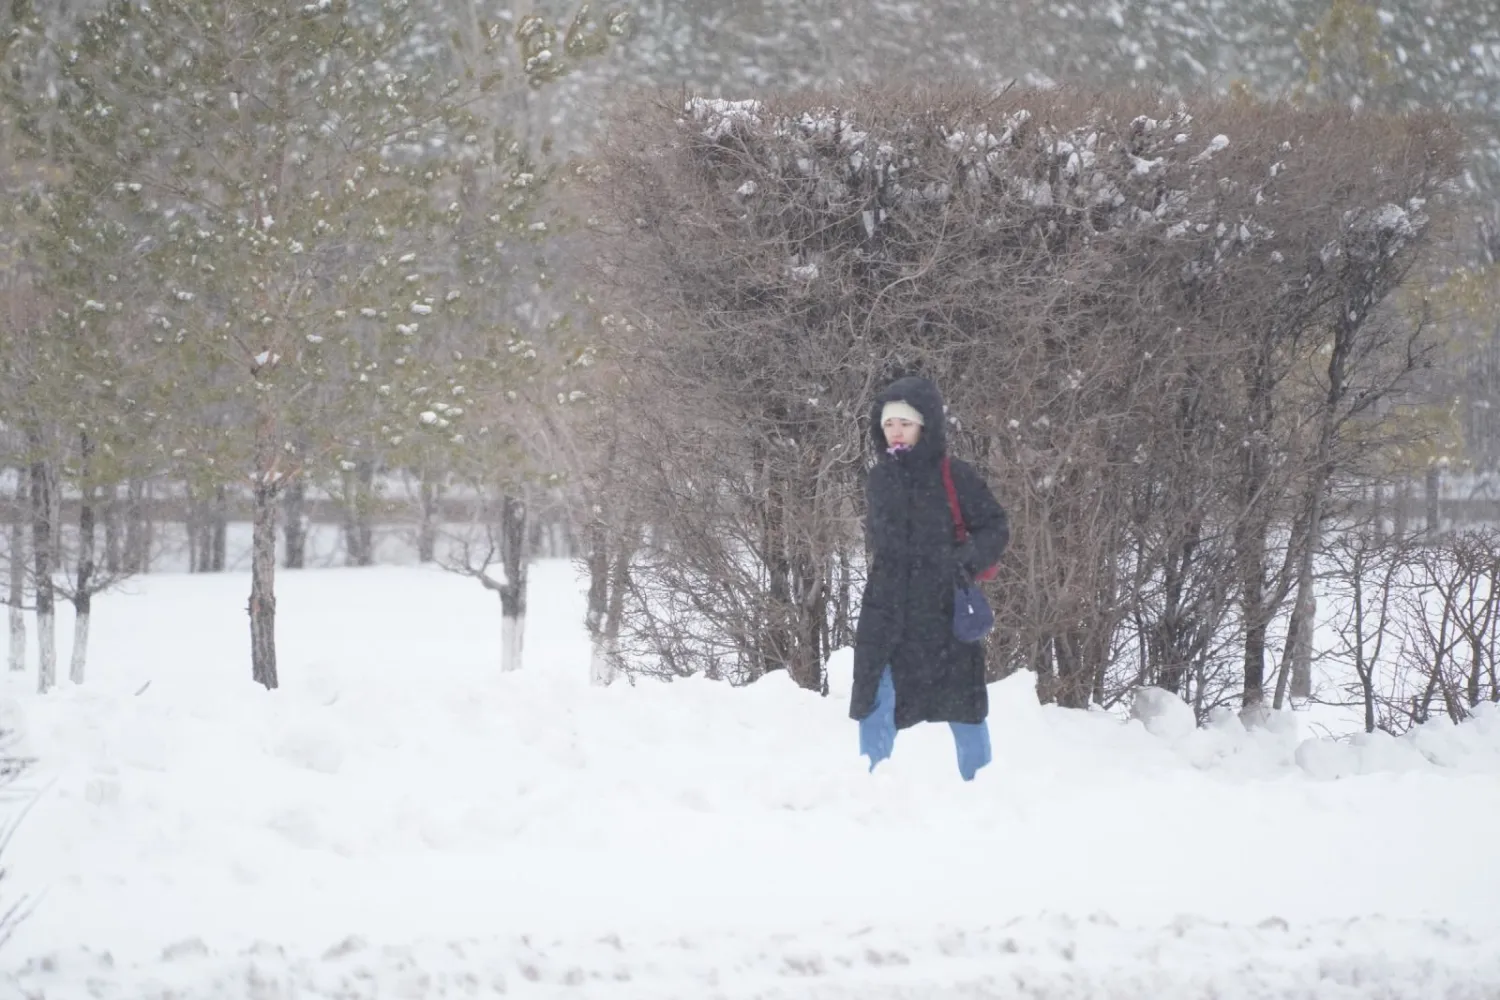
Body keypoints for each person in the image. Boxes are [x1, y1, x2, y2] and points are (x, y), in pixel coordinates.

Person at [850, 375, 1010, 781]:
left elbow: (995, 526)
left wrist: (964, 562)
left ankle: (983, 791)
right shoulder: (879, 478)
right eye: (888, 424)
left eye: (904, 422)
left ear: (925, 425)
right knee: (875, 698)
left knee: (964, 707)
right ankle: (869, 792)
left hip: (943, 610)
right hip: (887, 609)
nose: (896, 431)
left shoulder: (954, 475)